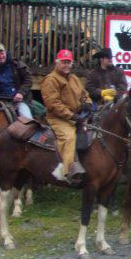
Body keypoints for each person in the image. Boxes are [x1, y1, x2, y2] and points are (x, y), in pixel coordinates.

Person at [40, 49, 88, 184]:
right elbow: (53, 104)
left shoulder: (74, 78)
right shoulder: (50, 79)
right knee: (69, 137)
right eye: (63, 62)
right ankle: (69, 173)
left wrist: (87, 104)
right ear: (57, 62)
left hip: (77, 116)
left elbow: (84, 94)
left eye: (68, 62)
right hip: (58, 118)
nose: (66, 65)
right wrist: (71, 116)